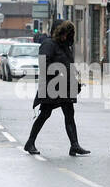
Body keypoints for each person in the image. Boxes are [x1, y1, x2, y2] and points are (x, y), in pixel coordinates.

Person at [25, 20, 88, 156]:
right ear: (58, 32)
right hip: (51, 86)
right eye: (64, 34)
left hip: (65, 86)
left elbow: (69, 66)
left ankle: (74, 145)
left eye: (68, 34)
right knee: (45, 114)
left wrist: (75, 82)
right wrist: (58, 73)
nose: (66, 37)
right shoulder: (48, 44)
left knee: (69, 114)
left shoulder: (66, 47)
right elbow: (43, 64)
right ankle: (30, 142)